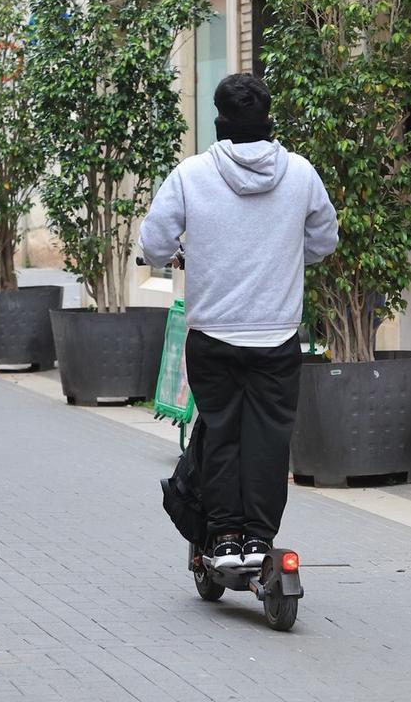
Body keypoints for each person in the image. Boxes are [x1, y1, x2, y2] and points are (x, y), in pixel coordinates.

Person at [140, 74, 339, 570]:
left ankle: (224, 536)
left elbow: (154, 246)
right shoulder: (300, 173)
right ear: (267, 119)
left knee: (222, 432)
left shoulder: (191, 174)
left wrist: (185, 253)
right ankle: (258, 537)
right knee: (270, 439)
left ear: (220, 122)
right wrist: (286, 256)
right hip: (277, 334)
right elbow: (324, 241)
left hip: (212, 334)